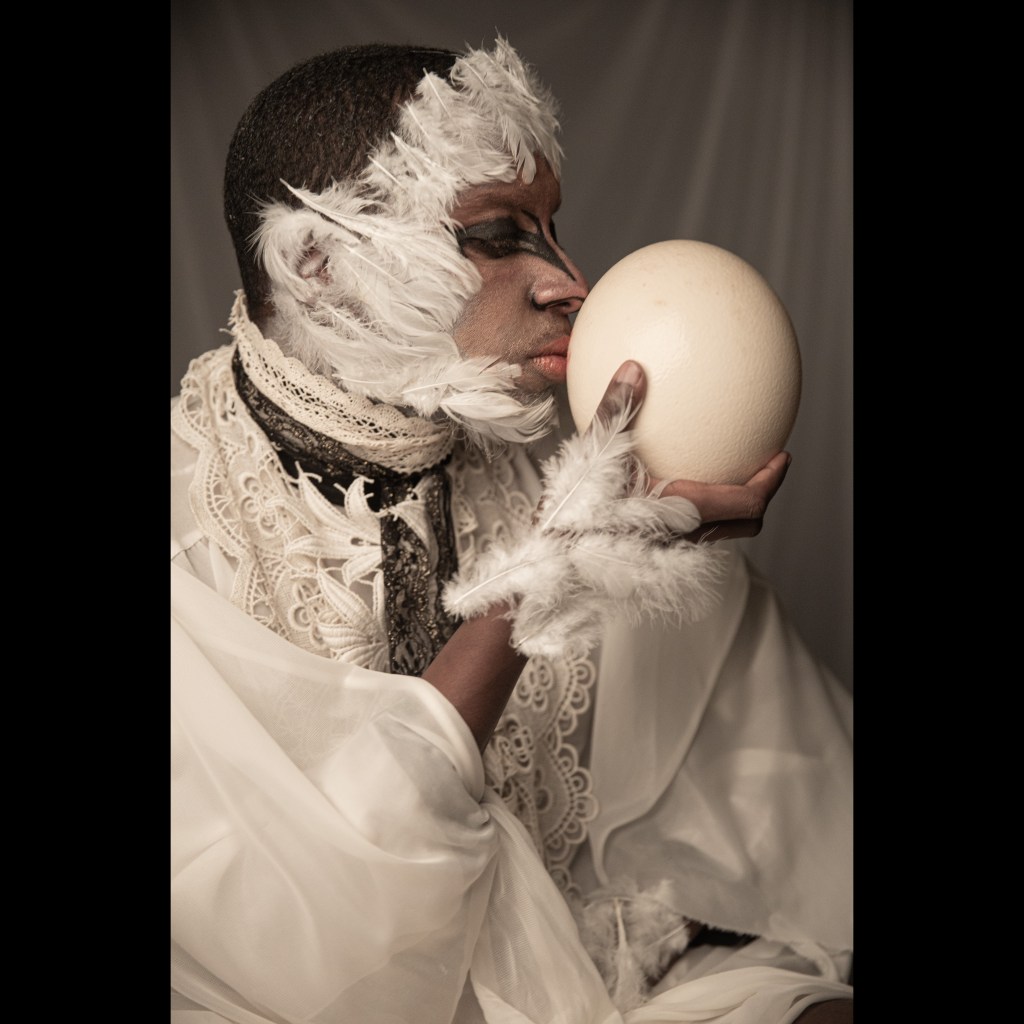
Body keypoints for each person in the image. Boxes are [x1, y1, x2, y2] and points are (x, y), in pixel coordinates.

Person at [171, 38, 853, 1024]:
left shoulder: (569, 481)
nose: (571, 282)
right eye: (498, 234)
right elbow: (330, 953)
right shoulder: (187, 530)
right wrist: (547, 577)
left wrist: (621, 552)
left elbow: (782, 824)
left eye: (553, 230)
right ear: (315, 263)